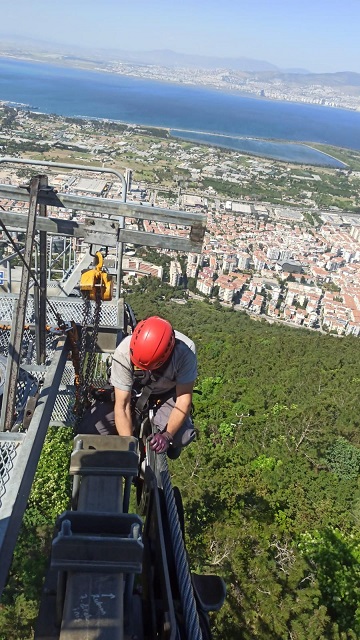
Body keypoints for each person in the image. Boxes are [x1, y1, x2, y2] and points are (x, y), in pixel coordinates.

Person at [77, 316, 197, 459]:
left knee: (182, 436)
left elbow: (183, 400)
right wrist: (129, 448)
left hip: (166, 394)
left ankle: (169, 439)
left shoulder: (185, 352)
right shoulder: (124, 351)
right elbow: (122, 405)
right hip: (132, 391)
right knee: (87, 431)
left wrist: (167, 436)